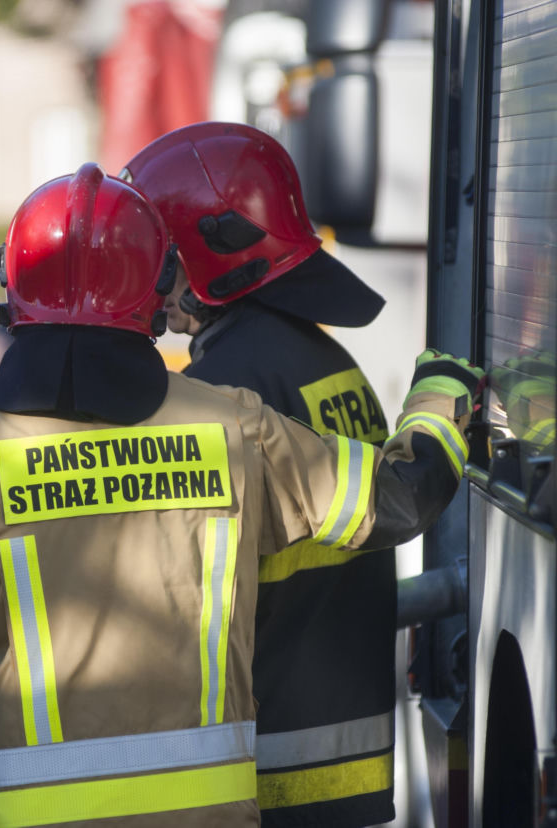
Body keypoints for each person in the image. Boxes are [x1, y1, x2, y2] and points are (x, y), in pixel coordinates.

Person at [0, 162, 482, 828]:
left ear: (14, 284)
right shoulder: (236, 429)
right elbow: (399, 502)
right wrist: (438, 402)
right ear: (159, 283)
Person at [121, 121, 400, 827]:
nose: (156, 280)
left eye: (167, 258)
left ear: (218, 254)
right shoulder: (328, 364)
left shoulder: (224, 393)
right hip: (345, 752)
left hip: (266, 768)